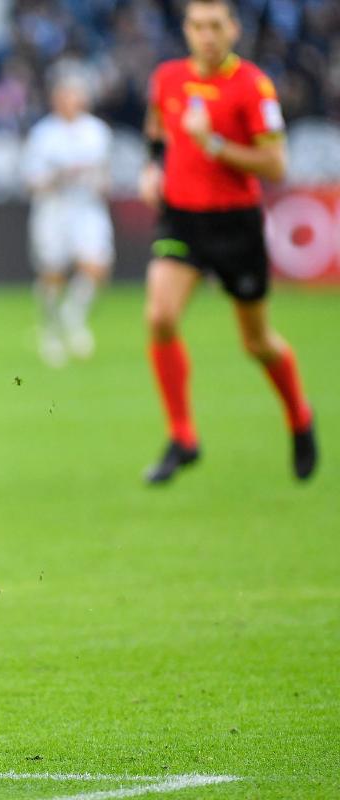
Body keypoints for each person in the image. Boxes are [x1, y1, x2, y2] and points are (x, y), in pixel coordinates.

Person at [139, 0, 317, 483]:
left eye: (216, 25)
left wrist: (212, 144)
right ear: (186, 29)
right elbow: (157, 128)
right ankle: (183, 437)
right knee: (160, 316)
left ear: (234, 28)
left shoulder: (253, 86)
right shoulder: (168, 77)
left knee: (257, 342)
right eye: (198, 25)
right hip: (181, 221)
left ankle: (300, 416)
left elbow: (276, 165)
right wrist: (152, 167)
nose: (207, 35)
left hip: (235, 225)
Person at [22, 70, 113, 367]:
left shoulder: (97, 131)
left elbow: (105, 173)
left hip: (87, 208)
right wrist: (59, 175)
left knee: (97, 266)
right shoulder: (43, 134)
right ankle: (50, 332)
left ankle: (72, 315)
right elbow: (32, 180)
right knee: (53, 273)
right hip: (53, 209)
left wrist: (98, 181)